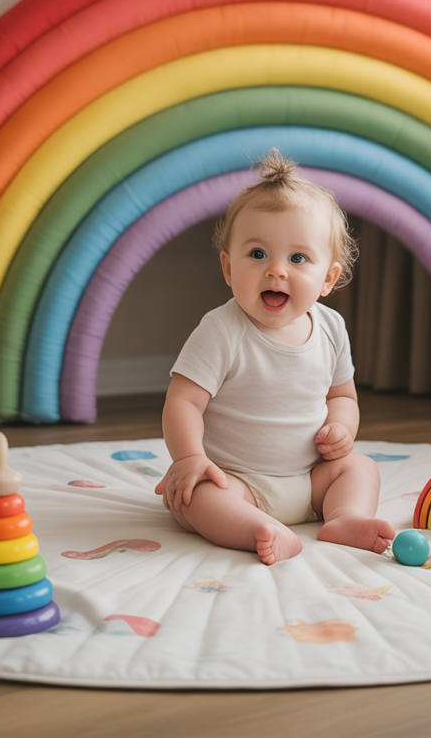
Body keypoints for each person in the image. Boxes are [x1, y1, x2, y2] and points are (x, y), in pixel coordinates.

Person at [154, 150, 395, 565]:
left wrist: (342, 427)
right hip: (235, 481)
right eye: (258, 254)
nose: (276, 271)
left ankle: (344, 517)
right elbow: (183, 401)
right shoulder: (221, 330)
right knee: (193, 497)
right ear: (228, 269)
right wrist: (190, 458)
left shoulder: (332, 328)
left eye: (298, 258)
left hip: (310, 478)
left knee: (361, 468)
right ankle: (256, 529)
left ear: (328, 279)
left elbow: (343, 396)